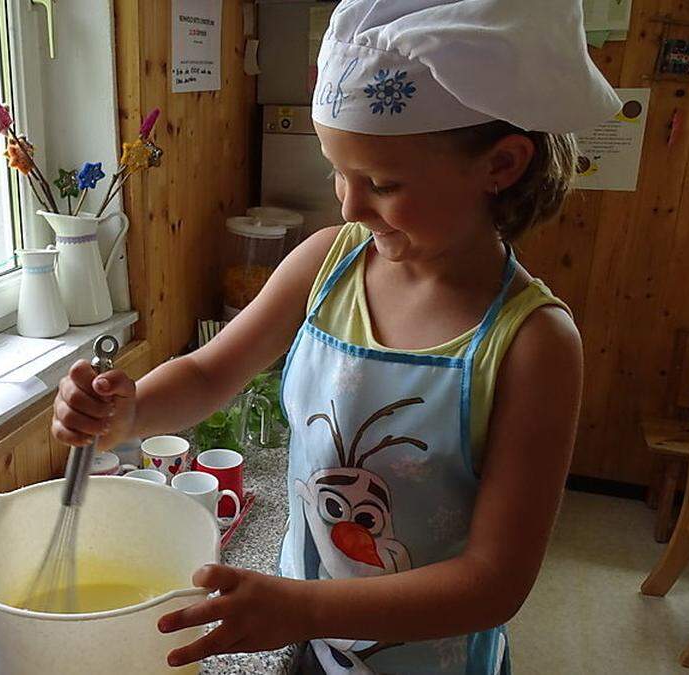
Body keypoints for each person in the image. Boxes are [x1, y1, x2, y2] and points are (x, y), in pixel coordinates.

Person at [51, 1, 619, 672]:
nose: (348, 206)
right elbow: (209, 374)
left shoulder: (532, 343)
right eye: (338, 173)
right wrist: (130, 411)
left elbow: (493, 583)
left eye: (381, 182)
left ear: (501, 163)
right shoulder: (329, 263)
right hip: (302, 637)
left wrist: (305, 605)